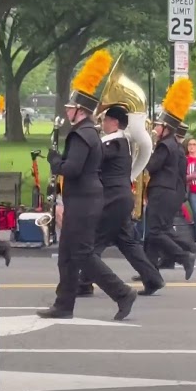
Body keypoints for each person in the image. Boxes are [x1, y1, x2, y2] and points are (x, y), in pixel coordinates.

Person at [37, 50, 137, 321]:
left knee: (81, 254)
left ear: (80, 110)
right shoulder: (88, 133)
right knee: (67, 256)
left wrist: (55, 161)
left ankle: (122, 293)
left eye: (70, 107)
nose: (67, 110)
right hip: (84, 199)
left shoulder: (82, 135)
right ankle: (63, 305)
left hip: (84, 201)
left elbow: (72, 169)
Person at [78, 105, 165, 297]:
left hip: (112, 200)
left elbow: (92, 160)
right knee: (128, 244)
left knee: (93, 242)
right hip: (121, 199)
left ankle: (84, 282)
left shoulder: (113, 143)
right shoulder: (121, 143)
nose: (103, 124)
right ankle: (153, 279)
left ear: (114, 122)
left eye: (105, 120)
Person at [143, 78, 196, 279]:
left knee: (156, 232)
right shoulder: (173, 145)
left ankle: (184, 256)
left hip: (163, 192)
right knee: (157, 232)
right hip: (170, 192)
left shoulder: (165, 145)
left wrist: (145, 151)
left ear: (166, 128)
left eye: (158, 126)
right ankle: (150, 274)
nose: (155, 128)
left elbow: (151, 166)